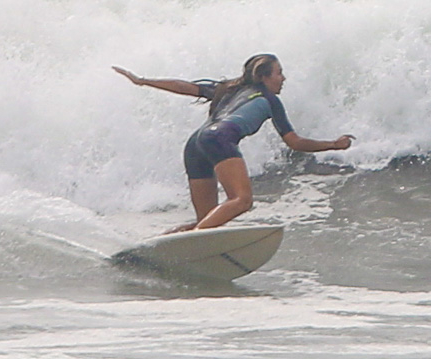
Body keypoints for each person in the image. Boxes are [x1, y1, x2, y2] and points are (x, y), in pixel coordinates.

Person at [112, 54, 353, 231]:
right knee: (241, 201)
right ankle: (192, 236)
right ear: (264, 76)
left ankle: (166, 242)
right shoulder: (269, 100)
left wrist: (143, 81)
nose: (283, 78)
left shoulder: (228, 89)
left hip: (195, 144)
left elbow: (186, 87)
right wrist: (333, 145)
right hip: (219, 139)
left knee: (207, 222)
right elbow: (295, 142)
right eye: (279, 72)